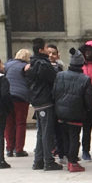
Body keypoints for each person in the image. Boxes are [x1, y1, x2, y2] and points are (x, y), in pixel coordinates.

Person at [51, 50, 91, 172]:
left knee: (65, 137)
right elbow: (88, 99)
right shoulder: (85, 79)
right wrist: (86, 110)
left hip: (61, 112)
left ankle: (68, 159)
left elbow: (55, 93)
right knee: (74, 137)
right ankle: (73, 162)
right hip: (76, 113)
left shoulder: (60, 75)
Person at [26, 37, 61, 171]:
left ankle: (39, 160)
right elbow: (54, 80)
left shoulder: (33, 63)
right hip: (44, 100)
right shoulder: (43, 64)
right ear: (41, 50)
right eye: (46, 48)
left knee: (41, 131)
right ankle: (48, 161)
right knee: (47, 132)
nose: (48, 50)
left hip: (37, 100)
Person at [4, 47, 31, 157]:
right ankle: (19, 149)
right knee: (20, 123)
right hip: (21, 97)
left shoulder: (7, 65)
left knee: (9, 123)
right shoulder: (26, 66)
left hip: (7, 96)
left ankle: (9, 148)